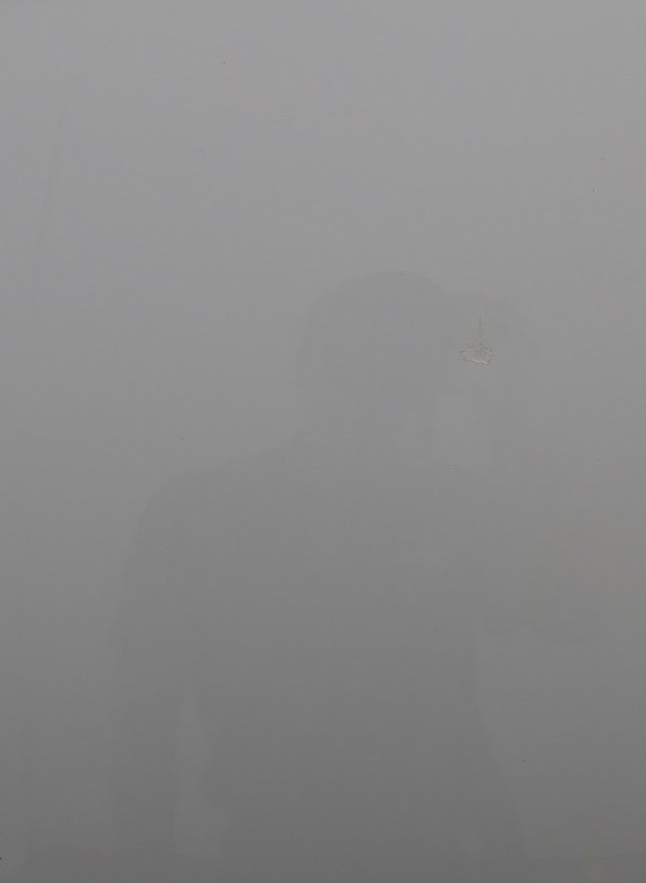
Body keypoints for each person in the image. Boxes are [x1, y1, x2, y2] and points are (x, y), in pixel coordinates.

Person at [110, 272, 580, 882]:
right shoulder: (203, 512)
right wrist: (504, 412)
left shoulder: (201, 508)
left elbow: (561, 607)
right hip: (386, 845)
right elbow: (143, 718)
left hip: (403, 845)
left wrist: (505, 418)